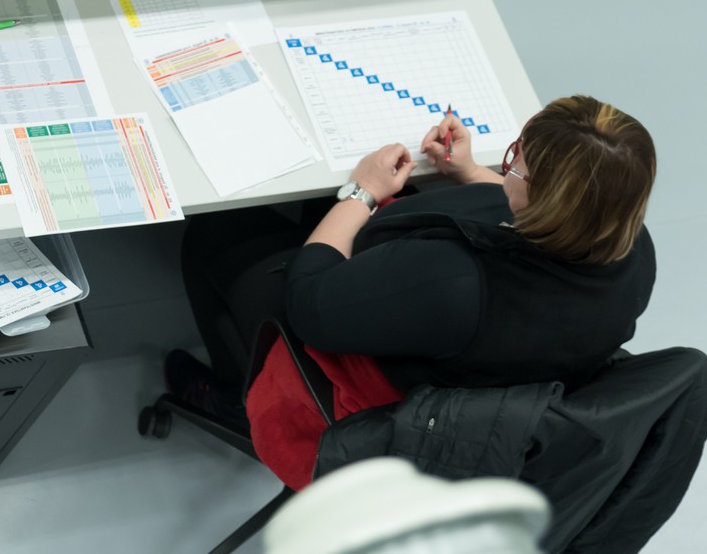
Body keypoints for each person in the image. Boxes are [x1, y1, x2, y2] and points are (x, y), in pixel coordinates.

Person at [174, 95, 659, 415]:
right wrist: (471, 171)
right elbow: (543, 210)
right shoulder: (633, 247)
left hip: (382, 394)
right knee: (324, 211)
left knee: (214, 234)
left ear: (542, 195)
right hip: (491, 362)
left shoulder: (457, 282)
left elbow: (308, 303)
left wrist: (361, 192)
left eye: (515, 162)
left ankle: (233, 396)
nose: (507, 167)